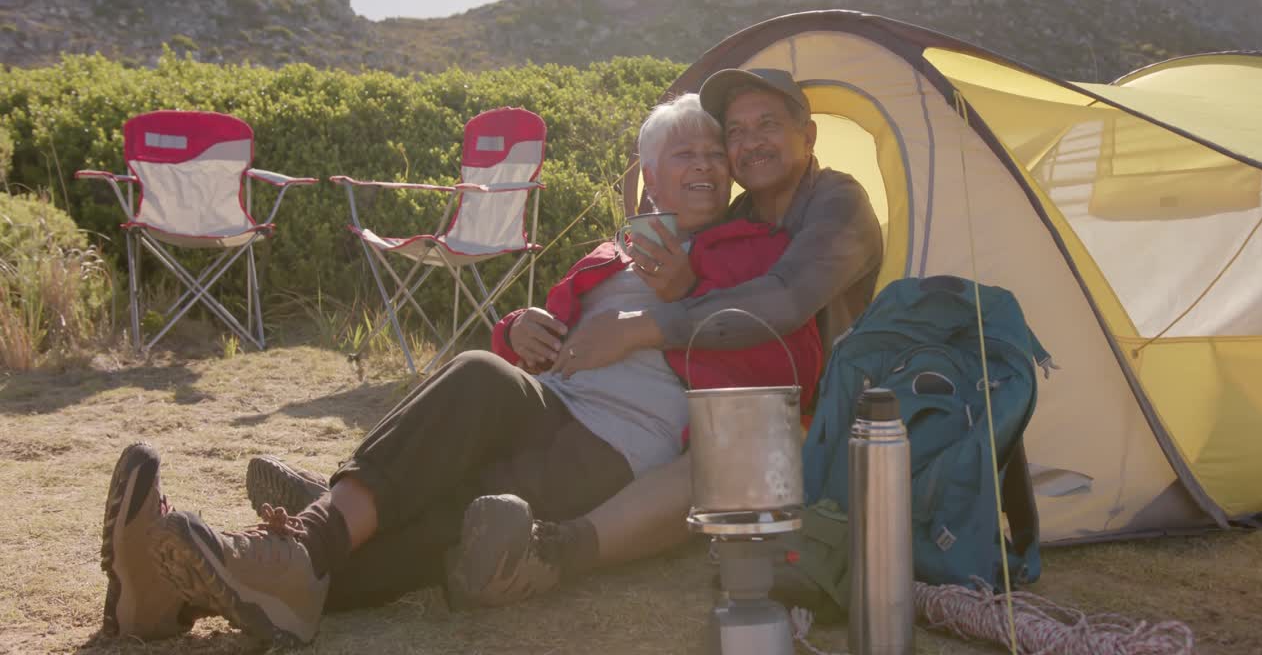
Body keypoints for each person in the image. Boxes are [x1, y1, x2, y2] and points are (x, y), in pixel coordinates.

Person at [96, 93, 824, 646]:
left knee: (452, 487)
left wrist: (680, 305)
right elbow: (537, 341)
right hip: (541, 403)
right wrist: (520, 328)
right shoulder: (610, 254)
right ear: (649, 180)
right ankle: (178, 593)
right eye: (683, 154)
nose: (703, 164)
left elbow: (786, 363)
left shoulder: (751, 254)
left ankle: (268, 557)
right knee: (469, 422)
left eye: (713, 154)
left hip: (613, 452)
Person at [446, 68, 885, 607]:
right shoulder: (741, 214)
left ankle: (558, 551)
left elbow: (786, 300)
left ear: (809, 135)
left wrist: (645, 327)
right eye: (737, 132)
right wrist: (520, 328)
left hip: (816, 414)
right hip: (721, 390)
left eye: (767, 125)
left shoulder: (839, 202)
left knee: (740, 438)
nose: (749, 143)